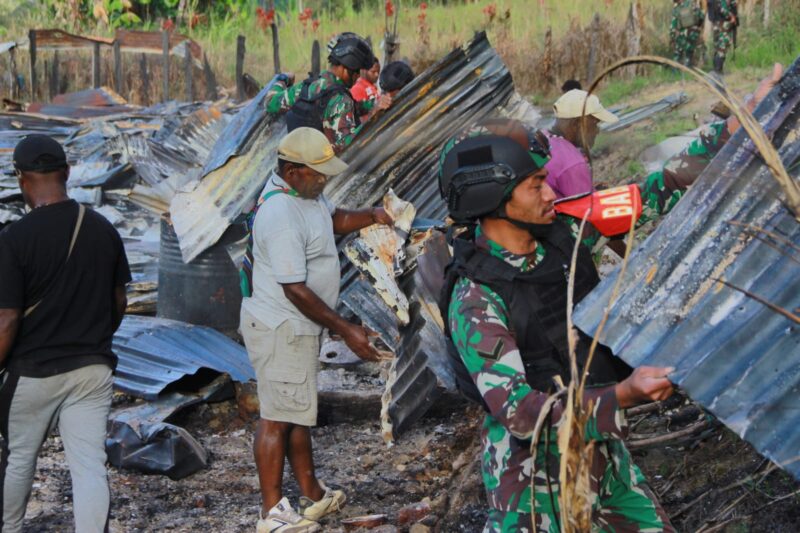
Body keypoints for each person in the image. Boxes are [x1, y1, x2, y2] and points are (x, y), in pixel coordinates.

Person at [437, 65, 782, 532]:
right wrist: (622, 394)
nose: (551, 190)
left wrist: (732, 133)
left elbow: (657, 191)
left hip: (602, 453)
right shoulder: (475, 298)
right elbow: (520, 415)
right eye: (535, 184)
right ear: (491, 200)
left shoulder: (565, 231)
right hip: (534, 484)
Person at [240, 127, 394, 533]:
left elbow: (335, 218)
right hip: (282, 325)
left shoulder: (306, 195)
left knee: (296, 411)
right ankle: (271, 512)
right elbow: (294, 289)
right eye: (318, 174)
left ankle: (311, 494)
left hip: (298, 327)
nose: (325, 180)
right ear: (292, 172)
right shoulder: (280, 214)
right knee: (277, 417)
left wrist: (372, 216)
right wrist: (346, 329)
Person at [0, 134, 130, 532]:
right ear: (67, 173)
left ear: (22, 179)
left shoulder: (13, 240)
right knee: (89, 464)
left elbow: (7, 319)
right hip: (92, 371)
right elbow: (120, 300)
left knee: (20, 457)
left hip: (32, 373)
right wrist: (94, 338)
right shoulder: (102, 228)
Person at [265, 33, 389, 153]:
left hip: (297, 162)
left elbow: (270, 102)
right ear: (346, 70)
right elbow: (346, 146)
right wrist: (373, 116)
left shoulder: (306, 87)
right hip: (321, 168)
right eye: (357, 72)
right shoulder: (341, 99)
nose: (357, 78)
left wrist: (283, 79)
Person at [544, 89, 619, 199]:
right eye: (594, 124)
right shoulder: (572, 163)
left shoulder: (544, 137)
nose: (597, 131)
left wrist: (591, 190)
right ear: (576, 124)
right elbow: (589, 211)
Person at [670, 0, 705, 67]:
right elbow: (701, 16)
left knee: (677, 53)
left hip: (681, 34)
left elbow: (673, 25)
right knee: (689, 53)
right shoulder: (692, 4)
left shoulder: (676, 8)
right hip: (692, 33)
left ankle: (675, 72)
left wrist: (672, 37)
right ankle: (687, 70)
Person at [708, 0, 738, 75]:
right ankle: (717, 70)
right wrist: (732, 16)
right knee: (722, 48)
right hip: (723, 26)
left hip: (717, 26)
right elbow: (722, 9)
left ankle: (717, 70)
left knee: (718, 48)